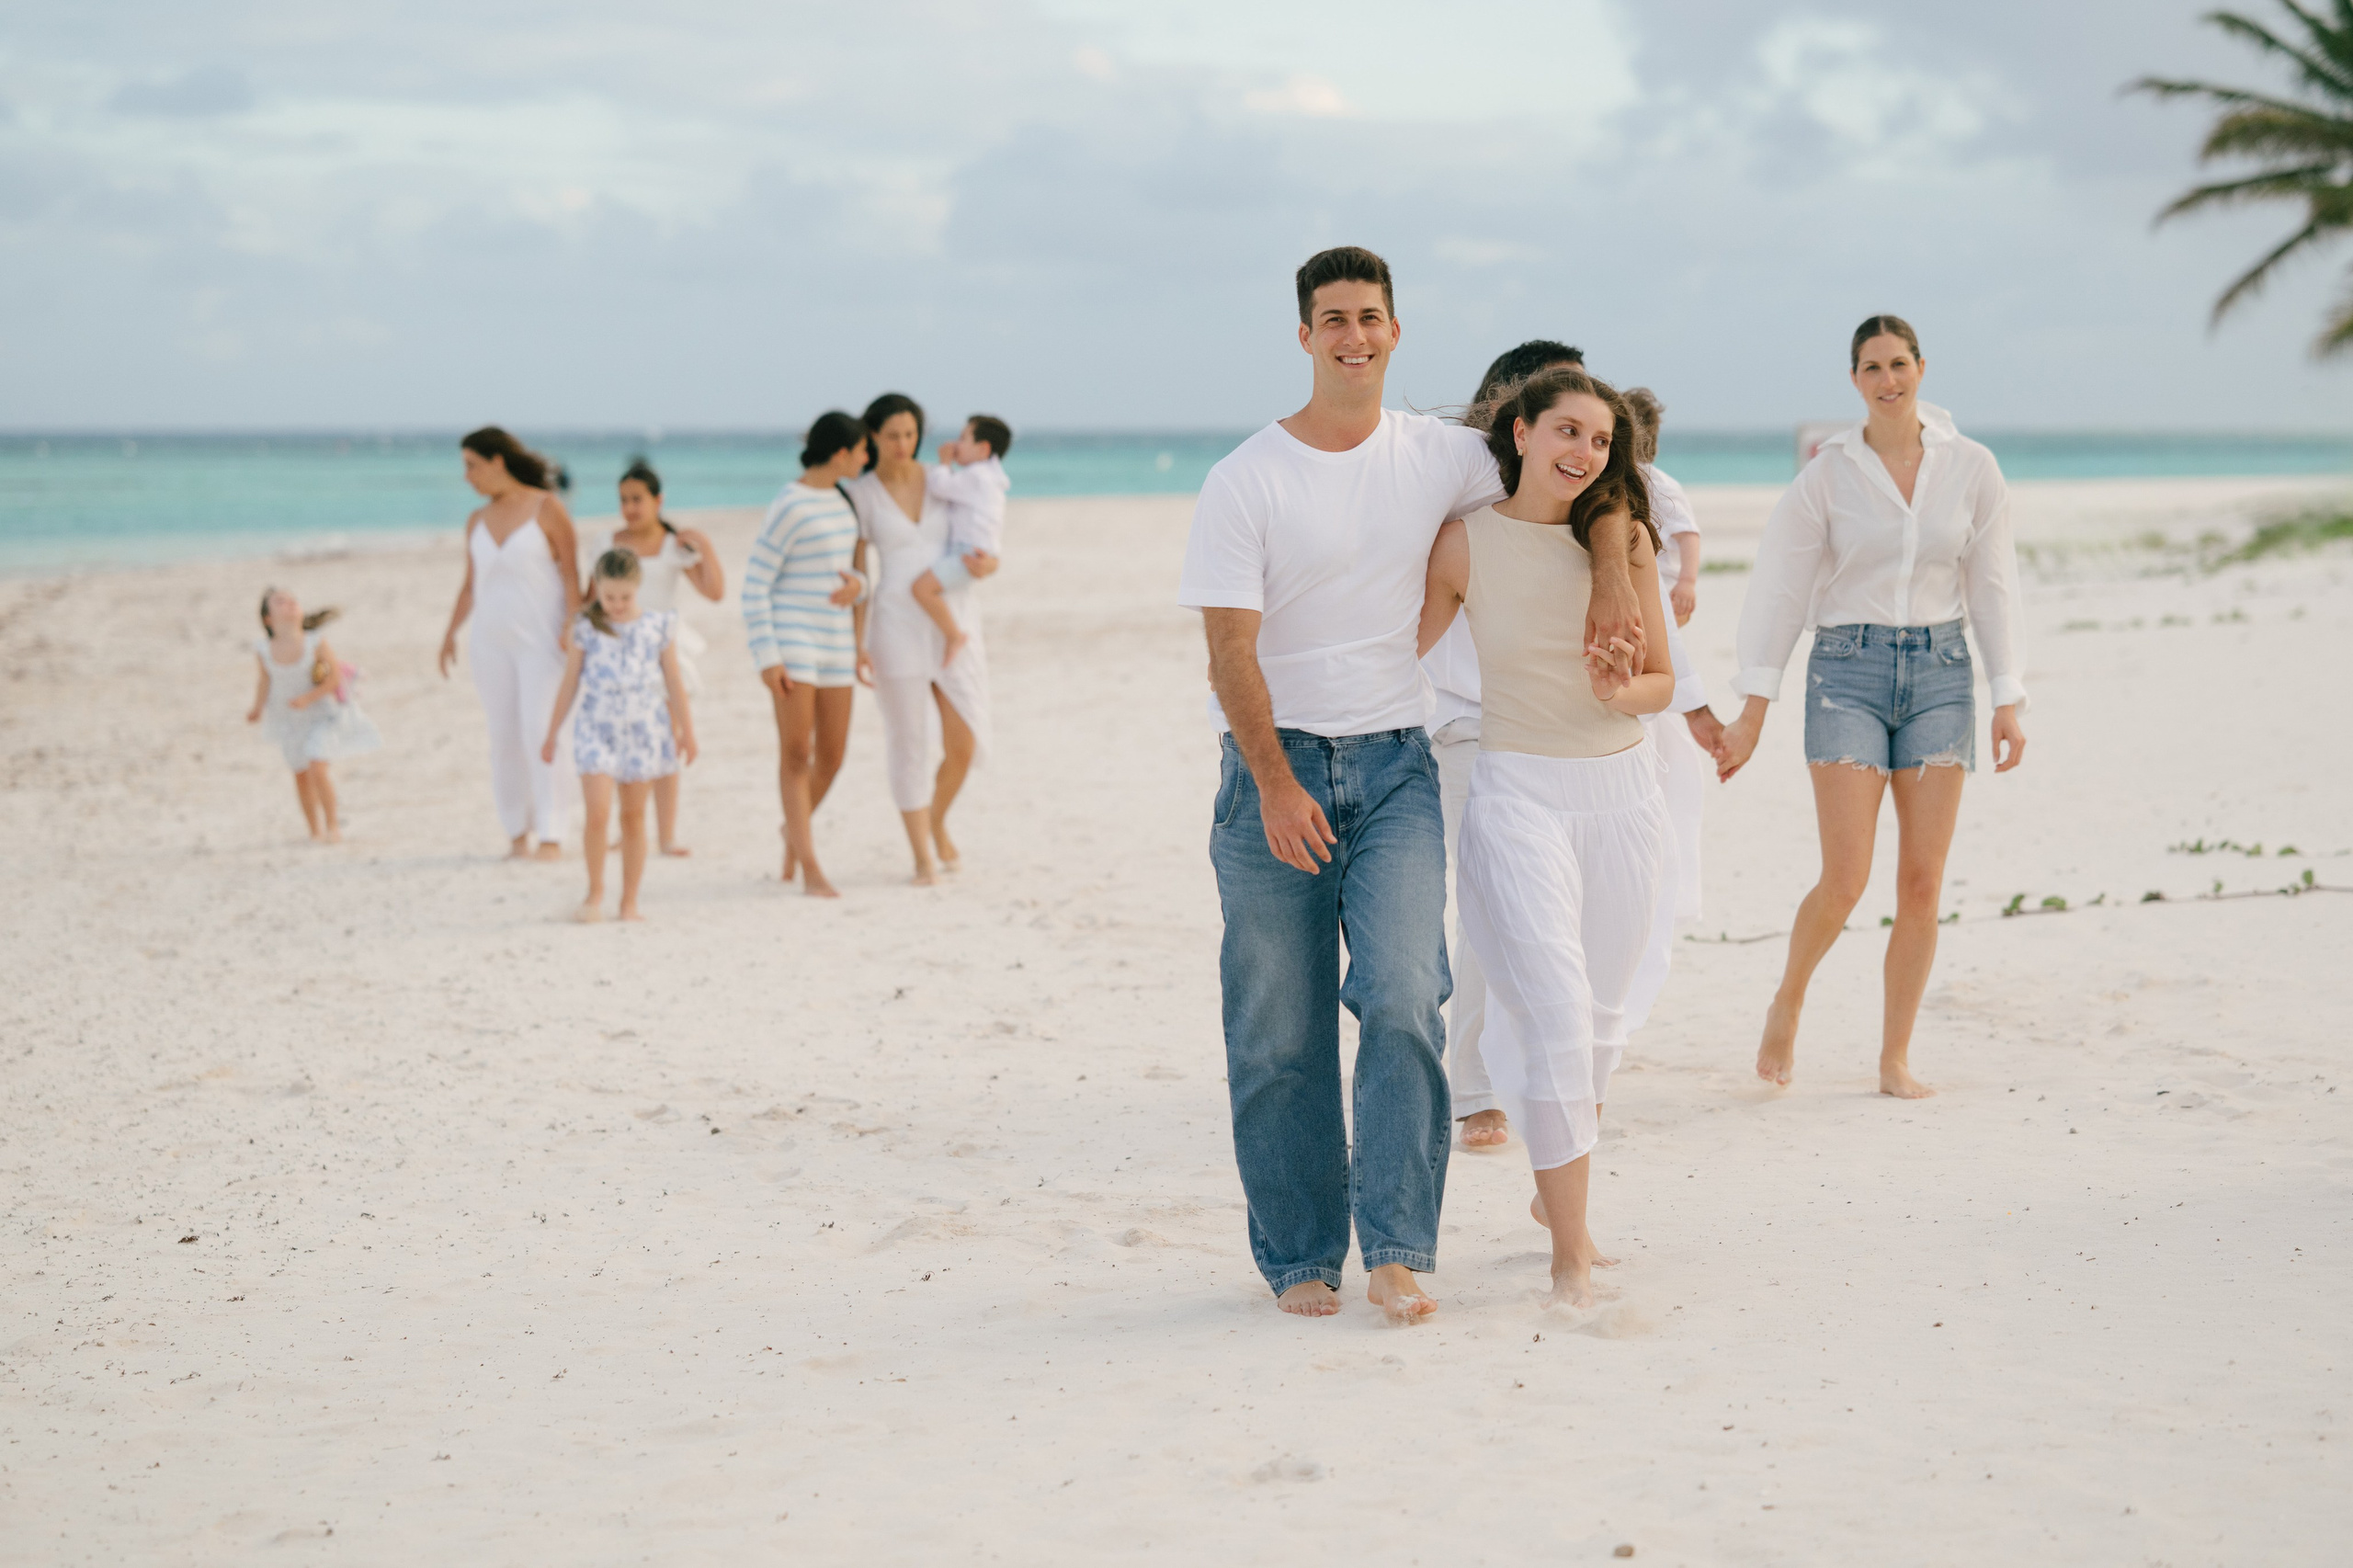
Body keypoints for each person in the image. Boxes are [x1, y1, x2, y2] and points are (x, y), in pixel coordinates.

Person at [1177, 247, 1641, 1324]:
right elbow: (1229, 650)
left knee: (1402, 996)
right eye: (1332, 318)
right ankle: (1299, 1251)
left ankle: (1394, 1243)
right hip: (1269, 775)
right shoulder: (1245, 477)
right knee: (1278, 1027)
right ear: (1304, 335)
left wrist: (1616, 562)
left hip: (1394, 765)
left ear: (1395, 331)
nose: (1353, 335)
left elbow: (1586, 481)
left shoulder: (1443, 456)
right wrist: (1276, 778)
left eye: (1371, 317)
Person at [1415, 365, 1676, 1309]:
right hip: (1518, 788)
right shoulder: (1462, 545)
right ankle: (1570, 1255)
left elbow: (1660, 683)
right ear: (1519, 433)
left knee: (1601, 1023)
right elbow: (1395, 651)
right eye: (1566, 430)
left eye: (1599, 441)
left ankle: (1554, 1197)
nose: (1582, 452)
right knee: (1559, 1016)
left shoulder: (1625, 540)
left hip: (1623, 793)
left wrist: (1619, 686)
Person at [1716, 314, 2029, 1098]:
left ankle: (1894, 1058)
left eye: (1899, 363)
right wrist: (1754, 706)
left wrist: (2009, 695)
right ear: (1854, 380)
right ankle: (1789, 998)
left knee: (1921, 884)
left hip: (1943, 674)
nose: (1888, 379)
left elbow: (1993, 585)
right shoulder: (1826, 474)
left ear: (1922, 367)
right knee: (1847, 878)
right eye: (1871, 367)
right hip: (1846, 673)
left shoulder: (1973, 467)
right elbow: (1782, 588)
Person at [1426, 339, 1586, 1157]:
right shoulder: (1449, 474)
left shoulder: (1577, 487)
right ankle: (1473, 1085)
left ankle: (1528, 1069)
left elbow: (1647, 506)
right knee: (1486, 906)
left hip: (1555, 727)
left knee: (1553, 911)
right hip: (1463, 724)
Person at [845, 393, 999, 885]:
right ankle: (920, 856)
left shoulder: (942, 481)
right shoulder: (862, 493)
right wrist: (857, 642)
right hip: (894, 623)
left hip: (952, 611)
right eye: (891, 435)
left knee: (964, 740)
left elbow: (981, 532)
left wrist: (990, 563)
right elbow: (858, 571)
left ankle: (935, 819)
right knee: (907, 740)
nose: (902, 444)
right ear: (872, 436)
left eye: (910, 434)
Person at [1619, 388, 1728, 1033]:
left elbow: (1687, 535)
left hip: (1654, 641)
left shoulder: (1654, 486)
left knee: (1666, 814)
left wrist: (1685, 581)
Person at [742, 413, 872, 898]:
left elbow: (858, 575)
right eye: (861, 450)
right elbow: (755, 585)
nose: (866, 458)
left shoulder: (845, 502)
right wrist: (767, 656)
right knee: (797, 754)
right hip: (792, 638)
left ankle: (791, 831)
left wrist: (858, 589)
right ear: (840, 452)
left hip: (837, 640)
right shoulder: (789, 504)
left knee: (833, 757)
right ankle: (810, 866)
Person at [439, 426, 582, 860]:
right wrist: (450, 632)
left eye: (472, 465)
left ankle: (552, 833)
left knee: (542, 731)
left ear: (497, 461)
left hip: (542, 641)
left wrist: (573, 625)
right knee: (503, 738)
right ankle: (517, 832)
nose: (467, 476)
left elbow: (572, 574)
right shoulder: (476, 521)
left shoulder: (547, 508)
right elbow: (470, 585)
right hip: (490, 643)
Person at [542, 550, 698, 922]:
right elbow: (569, 683)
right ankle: (594, 892)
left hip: (644, 730)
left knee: (633, 818)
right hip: (596, 729)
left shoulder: (658, 626)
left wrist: (687, 731)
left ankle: (629, 901)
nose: (615, 605)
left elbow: (673, 680)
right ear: (598, 589)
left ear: (637, 588)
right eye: (608, 597)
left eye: (624, 597)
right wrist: (551, 733)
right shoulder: (584, 627)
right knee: (597, 814)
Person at [609, 457, 724, 858]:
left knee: (666, 744)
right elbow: (594, 598)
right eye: (624, 499)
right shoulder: (611, 543)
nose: (630, 507)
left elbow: (714, 592)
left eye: (637, 498)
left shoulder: (674, 547)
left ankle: (667, 835)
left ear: (658, 500)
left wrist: (705, 547)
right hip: (620, 651)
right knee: (624, 742)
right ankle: (628, 828)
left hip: (664, 651)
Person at [245, 587, 381, 843]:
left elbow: (333, 680)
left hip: (321, 716)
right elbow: (265, 681)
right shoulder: (264, 649)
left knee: (317, 766)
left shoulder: (314, 642)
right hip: (289, 721)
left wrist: (307, 699)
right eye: (280, 602)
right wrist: (257, 707)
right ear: (268, 619)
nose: (290, 604)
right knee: (300, 775)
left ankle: (333, 826)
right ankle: (314, 830)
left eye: (292, 600)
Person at [909, 415, 1013, 668]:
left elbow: (940, 486)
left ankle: (954, 635)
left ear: (983, 448)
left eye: (963, 438)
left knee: (921, 589)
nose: (957, 444)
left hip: (965, 555)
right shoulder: (990, 479)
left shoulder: (976, 476)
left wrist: (943, 462)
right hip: (978, 552)